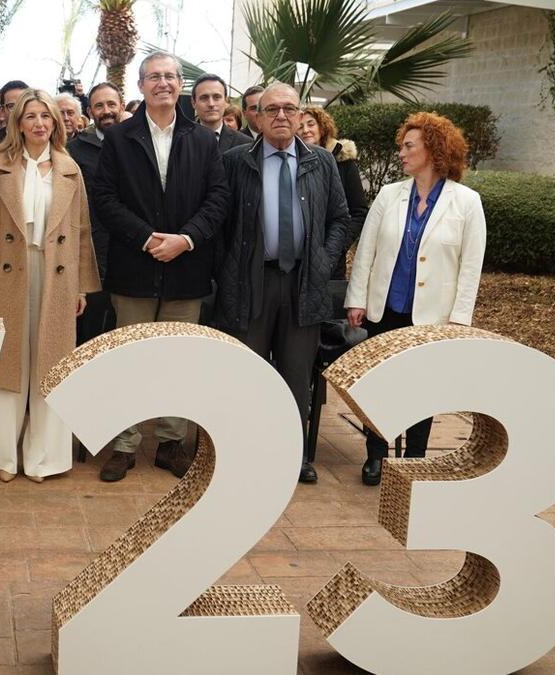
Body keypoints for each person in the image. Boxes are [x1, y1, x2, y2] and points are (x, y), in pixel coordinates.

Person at [92, 51, 230, 482]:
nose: (164, 83)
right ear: (141, 85)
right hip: (134, 267)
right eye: (155, 77)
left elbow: (218, 199)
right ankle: (125, 444)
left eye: (170, 76)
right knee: (128, 361)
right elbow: (105, 199)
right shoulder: (119, 139)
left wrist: (185, 238)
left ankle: (171, 444)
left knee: (177, 364)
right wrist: (147, 238)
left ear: (179, 85)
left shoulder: (205, 140)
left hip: (186, 269)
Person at [0, 89, 100, 482]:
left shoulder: (70, 169)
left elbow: (82, 232)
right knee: (6, 365)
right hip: (5, 273)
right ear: (17, 123)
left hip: (56, 272)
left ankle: (43, 459)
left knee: (50, 364)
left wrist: (82, 287)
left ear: (56, 123)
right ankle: (1, 456)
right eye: (30, 116)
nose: (39, 123)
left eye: (46, 116)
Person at [215, 83, 350, 484]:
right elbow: (220, 222)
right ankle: (243, 450)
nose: (280, 116)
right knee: (249, 372)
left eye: (289, 109)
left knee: (295, 373)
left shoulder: (322, 162)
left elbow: (340, 219)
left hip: (302, 283)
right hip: (251, 281)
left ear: (299, 115)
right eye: (271, 108)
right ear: (255, 115)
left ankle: (291, 454)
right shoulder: (235, 160)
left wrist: (323, 260)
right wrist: (228, 269)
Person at [345, 112, 486, 485]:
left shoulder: (467, 202)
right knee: (380, 386)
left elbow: (471, 267)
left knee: (423, 390)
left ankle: (414, 460)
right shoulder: (390, 196)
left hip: (433, 318)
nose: (402, 154)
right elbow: (366, 252)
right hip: (385, 309)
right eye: (402, 147)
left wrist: (459, 321)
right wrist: (356, 298)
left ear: (434, 150)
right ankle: (376, 454)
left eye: (409, 146)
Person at [67, 82, 123, 344]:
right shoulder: (75, 151)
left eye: (111, 104)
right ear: (89, 111)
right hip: (91, 255)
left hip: (131, 253)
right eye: (99, 106)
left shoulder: (138, 144)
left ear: (122, 106)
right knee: (89, 333)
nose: (106, 111)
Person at [298, 105, 368, 279]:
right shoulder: (290, 162)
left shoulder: (343, 162)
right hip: (297, 259)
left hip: (331, 260)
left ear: (322, 127)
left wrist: (336, 247)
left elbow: (358, 212)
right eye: (300, 126)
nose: (305, 130)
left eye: (311, 124)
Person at [191, 73, 251, 153]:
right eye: (204, 98)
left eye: (217, 97)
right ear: (193, 102)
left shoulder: (245, 143)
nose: (211, 104)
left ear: (226, 101)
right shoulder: (179, 140)